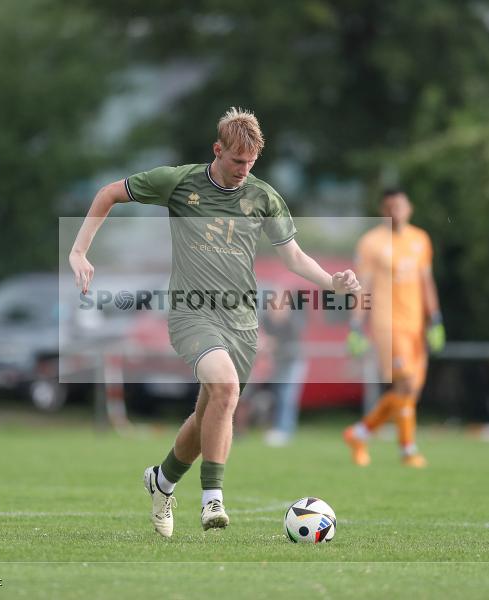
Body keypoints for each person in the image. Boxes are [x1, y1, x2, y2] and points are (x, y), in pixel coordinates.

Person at [68, 107, 360, 538]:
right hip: (192, 313)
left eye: (251, 163)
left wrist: (331, 282)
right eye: (236, 160)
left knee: (210, 412)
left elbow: (293, 256)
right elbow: (110, 192)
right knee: (225, 388)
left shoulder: (263, 197)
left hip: (241, 323)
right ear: (217, 149)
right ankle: (212, 501)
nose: (244, 170)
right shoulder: (179, 181)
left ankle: (162, 481)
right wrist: (79, 251)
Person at [343, 189, 444, 468]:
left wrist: (435, 319)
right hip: (388, 324)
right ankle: (408, 450)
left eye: (400, 205)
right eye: (390, 206)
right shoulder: (371, 243)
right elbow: (361, 287)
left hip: (417, 326)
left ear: (409, 208)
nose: (396, 211)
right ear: (382, 210)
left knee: (409, 394)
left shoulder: (420, 239)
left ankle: (358, 433)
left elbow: (427, 281)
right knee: (406, 384)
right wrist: (356, 325)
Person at [260, 294, 308, 447]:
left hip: (294, 363)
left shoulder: (292, 323)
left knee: (287, 397)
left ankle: (285, 430)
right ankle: (278, 429)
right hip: (278, 364)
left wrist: (273, 344)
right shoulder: (266, 320)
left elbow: (289, 344)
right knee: (279, 395)